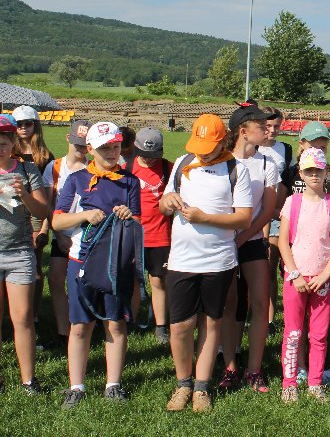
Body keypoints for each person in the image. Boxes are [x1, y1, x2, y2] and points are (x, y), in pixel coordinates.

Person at [159, 114, 252, 413]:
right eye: (199, 147)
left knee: (211, 323)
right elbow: (163, 205)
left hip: (218, 261)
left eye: (209, 148)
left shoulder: (236, 169)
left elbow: (243, 218)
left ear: (223, 141)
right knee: (180, 326)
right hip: (182, 260)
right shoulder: (183, 163)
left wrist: (204, 218)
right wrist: (168, 201)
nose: (203, 153)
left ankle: (201, 386)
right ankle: (183, 383)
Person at [52, 121, 141, 409]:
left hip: (115, 263)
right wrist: (84, 215)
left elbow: (137, 223)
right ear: (90, 149)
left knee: (115, 323)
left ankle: (113, 384)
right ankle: (76, 386)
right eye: (105, 148)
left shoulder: (130, 181)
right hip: (82, 261)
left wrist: (128, 215)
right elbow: (57, 221)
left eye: (116, 146)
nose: (112, 152)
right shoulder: (77, 180)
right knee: (80, 326)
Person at [218, 104, 279, 394]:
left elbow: (267, 211)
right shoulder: (221, 161)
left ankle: (254, 369)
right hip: (223, 242)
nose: (268, 129)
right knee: (229, 304)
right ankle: (230, 366)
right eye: (261, 125)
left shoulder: (267, 163)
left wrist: (243, 238)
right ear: (243, 131)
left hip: (251, 241)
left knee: (260, 303)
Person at [278, 148, 330, 403]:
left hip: (322, 279)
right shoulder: (292, 202)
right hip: (295, 278)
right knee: (293, 333)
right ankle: (289, 383)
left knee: (318, 334)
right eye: (309, 171)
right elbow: (283, 242)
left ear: (327, 172)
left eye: (319, 170)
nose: (314, 175)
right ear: (301, 173)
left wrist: (326, 274)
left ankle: (315, 383)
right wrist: (295, 274)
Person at [0, 114, 49, 395]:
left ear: (12, 143)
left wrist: (24, 195)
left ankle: (29, 380)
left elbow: (43, 211)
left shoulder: (27, 169)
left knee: (23, 318)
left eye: (3, 143)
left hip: (19, 252)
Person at [42, 120, 90, 352]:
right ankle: (64, 332)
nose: (81, 149)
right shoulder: (55, 167)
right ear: (68, 138)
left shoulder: (94, 167)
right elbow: (48, 203)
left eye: (86, 145)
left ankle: (86, 325)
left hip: (87, 234)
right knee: (56, 279)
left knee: (85, 282)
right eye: (78, 143)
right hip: (61, 232)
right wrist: (58, 234)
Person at [126, 127, 172, 344]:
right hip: (133, 236)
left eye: (154, 155)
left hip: (161, 236)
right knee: (133, 282)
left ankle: (161, 326)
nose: (150, 159)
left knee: (158, 281)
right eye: (145, 155)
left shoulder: (169, 168)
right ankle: (130, 321)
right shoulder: (127, 168)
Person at [11, 105, 54, 338]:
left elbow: (48, 197)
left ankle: (33, 315)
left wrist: (45, 227)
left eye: (28, 123)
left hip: (36, 216)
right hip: (11, 213)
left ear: (36, 126)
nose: (23, 128)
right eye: (18, 124)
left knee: (35, 269)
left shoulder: (45, 157)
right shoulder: (8, 151)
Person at [258, 106, 292, 336]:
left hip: (277, 214)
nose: (272, 130)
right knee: (258, 268)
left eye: (276, 126)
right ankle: (256, 312)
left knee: (272, 266)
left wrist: (279, 210)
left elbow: (288, 184)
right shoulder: (252, 148)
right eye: (267, 126)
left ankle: (270, 319)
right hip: (253, 215)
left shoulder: (285, 150)